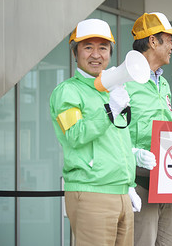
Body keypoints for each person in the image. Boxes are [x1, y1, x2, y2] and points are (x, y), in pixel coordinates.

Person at [50, 18, 145, 246]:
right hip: (92, 192)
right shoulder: (68, 92)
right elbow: (75, 134)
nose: (96, 54)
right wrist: (110, 111)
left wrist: (129, 180)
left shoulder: (111, 89)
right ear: (75, 53)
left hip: (120, 192)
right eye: (88, 47)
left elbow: (113, 141)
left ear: (110, 52)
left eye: (103, 47)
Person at [126, 12, 172, 246]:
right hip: (139, 182)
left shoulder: (165, 83)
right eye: (169, 39)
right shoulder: (124, 79)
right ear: (153, 41)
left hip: (167, 182)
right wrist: (134, 156)